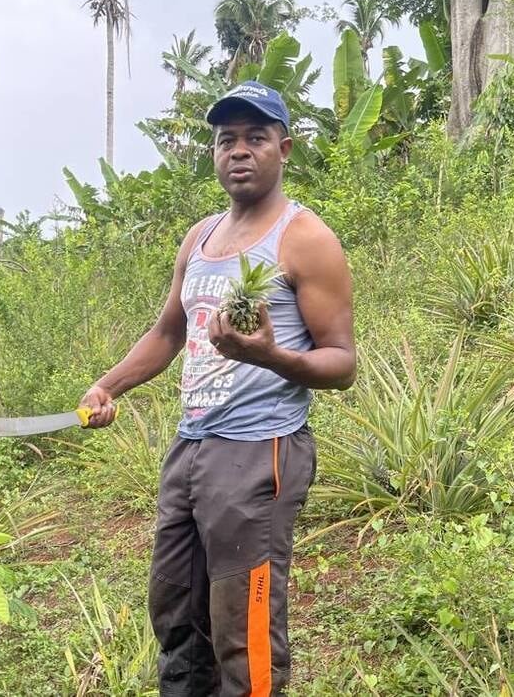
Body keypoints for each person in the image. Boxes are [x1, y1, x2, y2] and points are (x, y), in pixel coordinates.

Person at [77, 80, 357, 695]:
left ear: (284, 148)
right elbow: (168, 332)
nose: (239, 150)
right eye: (226, 139)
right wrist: (108, 386)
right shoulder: (200, 237)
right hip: (191, 447)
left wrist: (273, 356)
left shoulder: (305, 239)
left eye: (256, 137)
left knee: (243, 624)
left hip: (259, 452)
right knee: (175, 610)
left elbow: (343, 363)